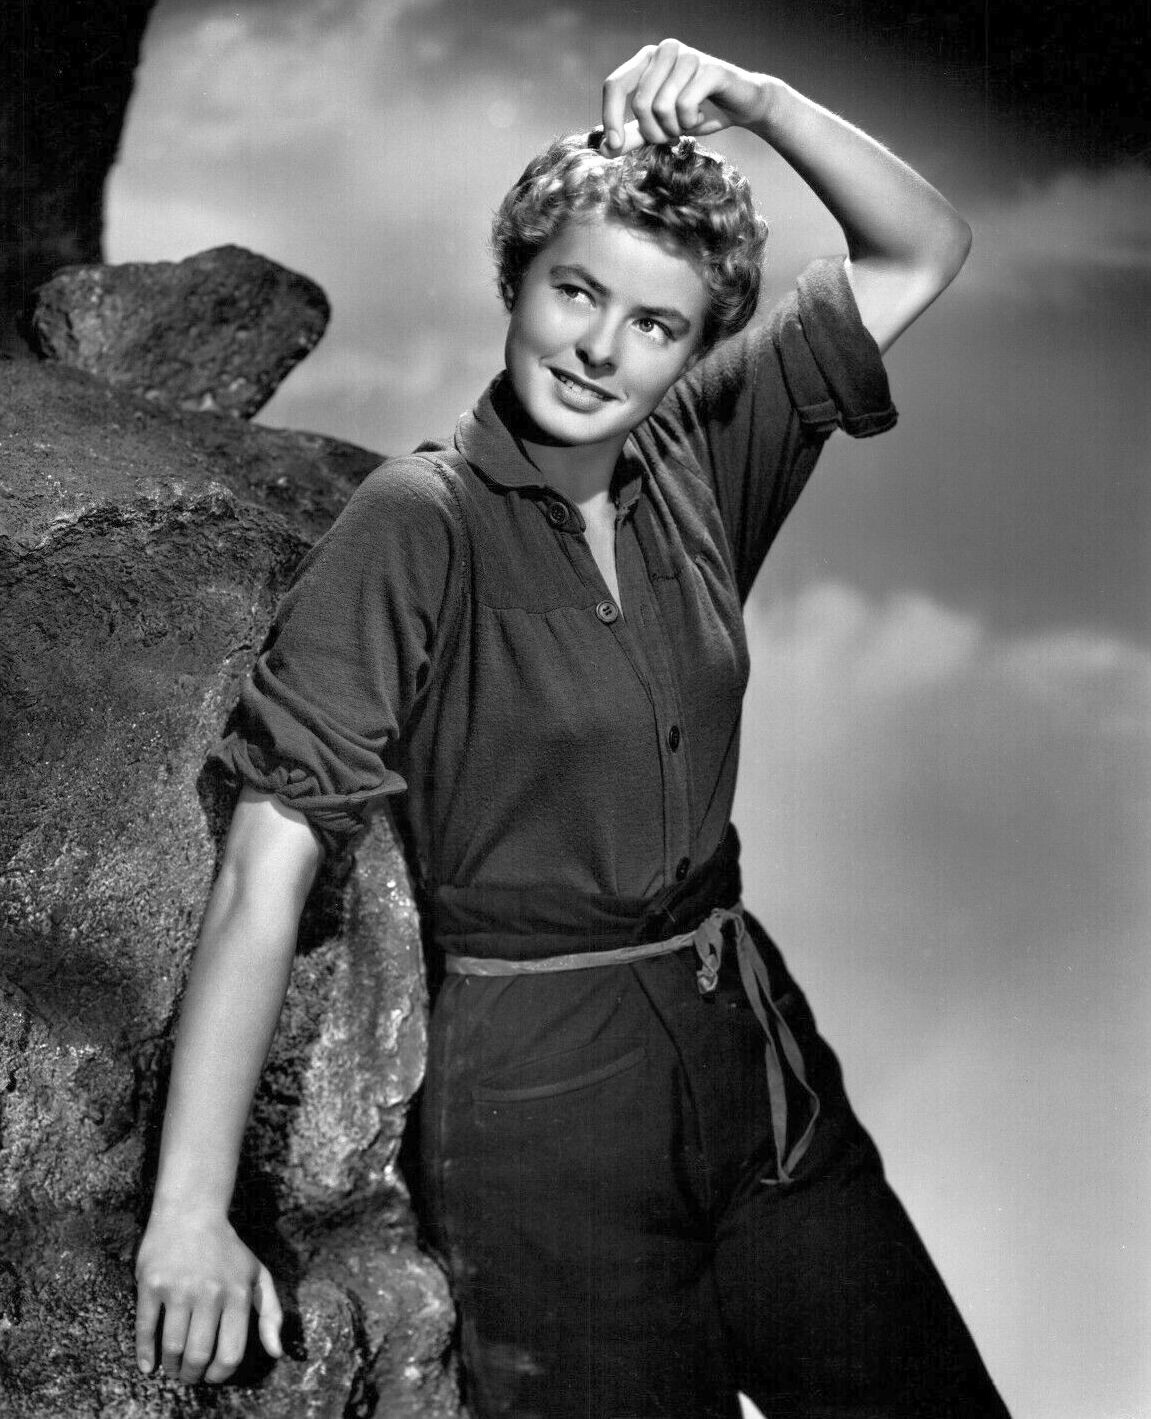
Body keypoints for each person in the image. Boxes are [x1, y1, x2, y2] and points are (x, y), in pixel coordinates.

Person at [134, 39, 1011, 1418]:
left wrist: (761, 103)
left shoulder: (704, 453)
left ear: (694, 349)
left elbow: (924, 245)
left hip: (752, 1059)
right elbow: (265, 865)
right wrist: (189, 1210)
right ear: (519, 279)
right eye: (577, 291)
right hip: (540, 1107)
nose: (602, 348)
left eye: (656, 324)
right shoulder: (417, 522)